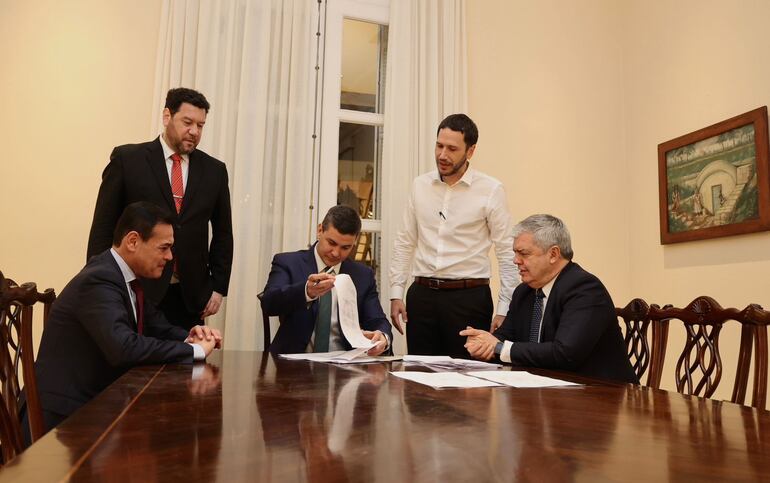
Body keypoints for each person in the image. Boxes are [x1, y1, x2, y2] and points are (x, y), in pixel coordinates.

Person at [27, 202, 222, 440]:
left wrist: (190, 335)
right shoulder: (99, 280)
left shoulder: (124, 277)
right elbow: (124, 348)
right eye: (164, 248)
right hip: (64, 419)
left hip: (97, 405)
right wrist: (194, 351)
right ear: (132, 241)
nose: (170, 257)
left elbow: (156, 324)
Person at [87, 87, 233, 330]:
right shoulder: (128, 160)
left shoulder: (215, 171)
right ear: (167, 116)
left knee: (189, 362)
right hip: (135, 288)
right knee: (134, 363)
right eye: (187, 122)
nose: (194, 132)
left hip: (190, 296)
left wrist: (218, 287)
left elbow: (223, 233)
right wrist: (100, 283)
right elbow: (103, 226)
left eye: (200, 125)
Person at [389, 113, 519, 358]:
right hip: (422, 296)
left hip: (468, 299)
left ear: (470, 151)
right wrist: (396, 292)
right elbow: (405, 241)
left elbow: (506, 252)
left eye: (452, 148)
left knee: (467, 386)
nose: (442, 155)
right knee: (419, 384)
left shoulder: (491, 190)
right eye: (439, 146)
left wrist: (505, 308)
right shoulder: (420, 185)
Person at [460, 214, 638, 383]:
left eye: (524, 253)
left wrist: (498, 348)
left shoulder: (584, 289)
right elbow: (504, 337)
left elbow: (565, 353)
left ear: (553, 254)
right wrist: (482, 343)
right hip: (545, 393)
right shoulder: (524, 292)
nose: (516, 260)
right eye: (515, 253)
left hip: (603, 396)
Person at [261, 205, 392, 355]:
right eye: (331, 243)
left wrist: (383, 337)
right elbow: (269, 303)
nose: (336, 253)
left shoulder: (363, 275)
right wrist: (306, 291)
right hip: (294, 363)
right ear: (319, 230)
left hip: (345, 366)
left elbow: (377, 319)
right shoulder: (288, 262)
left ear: (355, 242)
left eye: (345, 247)